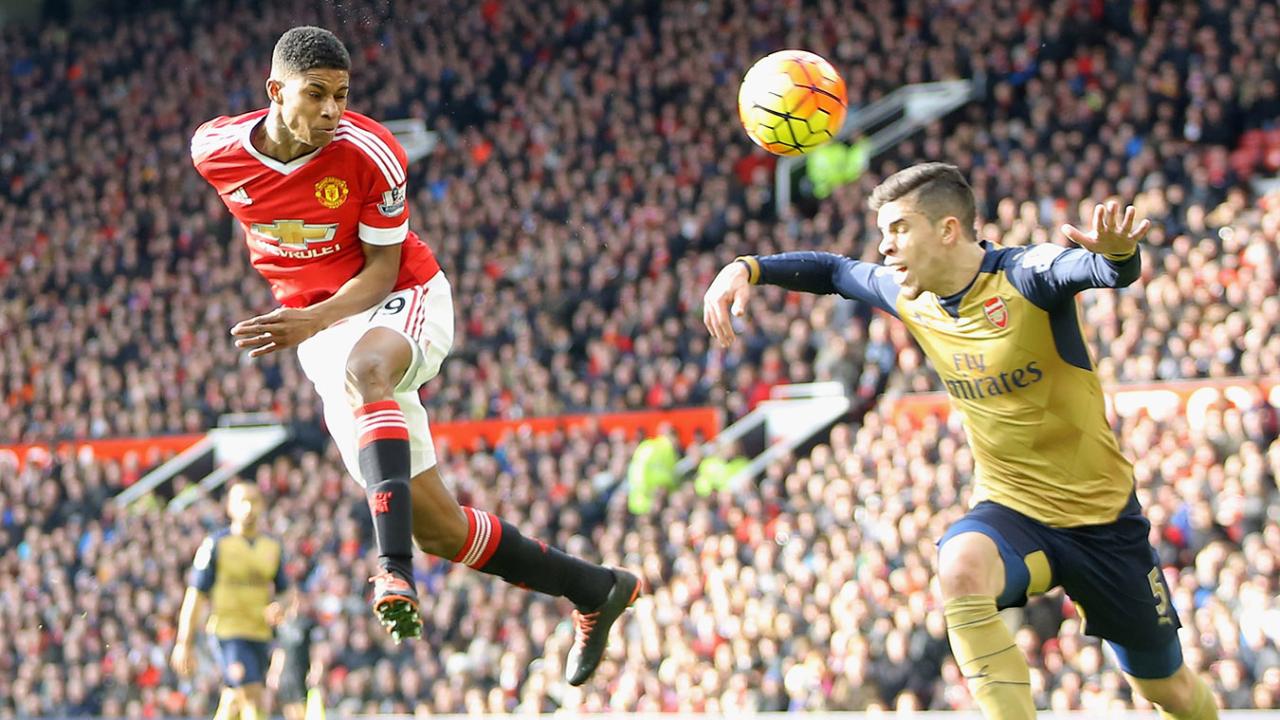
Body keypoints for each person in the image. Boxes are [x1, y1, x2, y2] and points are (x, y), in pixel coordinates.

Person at [188, 25, 638, 684]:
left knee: (368, 370)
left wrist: (308, 316)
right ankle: (596, 589)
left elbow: (379, 272)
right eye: (316, 95)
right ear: (274, 91)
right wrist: (308, 319)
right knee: (441, 529)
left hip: (401, 297)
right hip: (318, 330)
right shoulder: (214, 149)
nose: (331, 111)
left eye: (341, 95)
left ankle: (392, 571)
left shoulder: (371, 152)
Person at [703, 162, 1218, 720]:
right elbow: (831, 270)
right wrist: (747, 268)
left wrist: (1119, 256)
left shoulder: (1024, 275)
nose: (885, 246)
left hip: (1103, 524)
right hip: (1013, 509)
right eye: (882, 232)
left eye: (898, 228)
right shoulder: (908, 294)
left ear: (948, 229)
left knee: (1169, 693)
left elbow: (1096, 268)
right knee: (960, 564)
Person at [171, 482, 286, 720]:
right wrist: (184, 641)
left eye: (254, 501)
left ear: (262, 505)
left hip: (260, 633)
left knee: (234, 699)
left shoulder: (272, 547)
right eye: (242, 501)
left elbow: (285, 591)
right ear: (230, 507)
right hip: (228, 631)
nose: (248, 508)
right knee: (253, 695)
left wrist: (281, 607)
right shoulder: (216, 545)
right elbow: (196, 594)